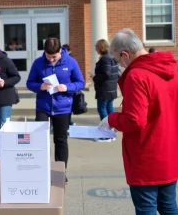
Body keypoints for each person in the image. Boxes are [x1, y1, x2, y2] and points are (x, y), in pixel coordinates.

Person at [98, 28, 178, 214]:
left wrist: (112, 119)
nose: (120, 65)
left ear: (125, 55)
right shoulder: (172, 70)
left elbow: (135, 120)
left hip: (146, 155)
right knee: (169, 206)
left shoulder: (137, 75)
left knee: (146, 208)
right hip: (170, 151)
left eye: (119, 60)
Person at [27, 38, 85, 183]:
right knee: (39, 139)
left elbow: (80, 83)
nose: (51, 59)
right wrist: (39, 86)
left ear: (60, 51)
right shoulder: (38, 63)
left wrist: (67, 87)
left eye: (54, 56)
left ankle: (61, 171)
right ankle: (39, 170)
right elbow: (29, 82)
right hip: (43, 107)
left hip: (63, 107)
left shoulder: (70, 62)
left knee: (60, 140)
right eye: (48, 56)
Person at [90, 39, 119, 143]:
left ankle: (107, 133)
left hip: (104, 89)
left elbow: (106, 74)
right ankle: (113, 130)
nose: (95, 49)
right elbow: (116, 73)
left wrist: (94, 77)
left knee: (102, 109)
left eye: (96, 47)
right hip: (111, 88)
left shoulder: (105, 59)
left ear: (100, 47)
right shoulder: (112, 58)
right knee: (109, 108)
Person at [62, 44, 76, 126]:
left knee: (68, 105)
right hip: (69, 85)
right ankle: (69, 121)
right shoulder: (71, 57)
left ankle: (69, 121)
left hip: (68, 86)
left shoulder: (70, 59)